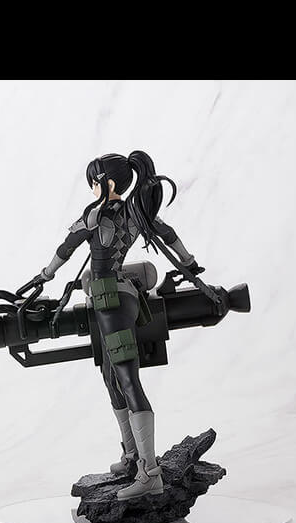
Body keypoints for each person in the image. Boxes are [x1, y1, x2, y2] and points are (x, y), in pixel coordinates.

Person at [21, 151, 204, 500]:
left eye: (94, 181)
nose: (91, 188)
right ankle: (133, 456)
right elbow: (167, 233)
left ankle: (150, 474)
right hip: (118, 295)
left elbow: (67, 247)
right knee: (111, 376)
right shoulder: (136, 212)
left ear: (106, 183)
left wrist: (45, 275)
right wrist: (189, 261)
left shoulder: (95, 215)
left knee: (127, 378)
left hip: (111, 299)